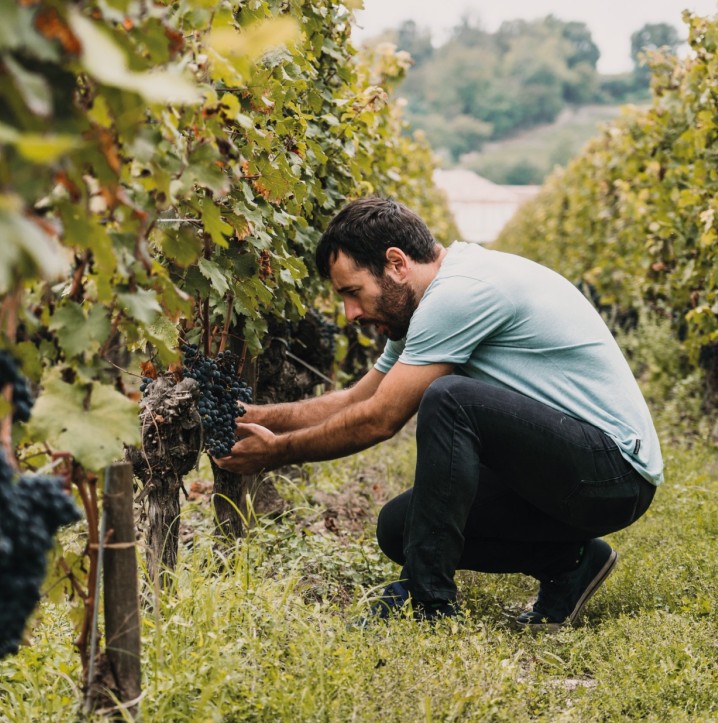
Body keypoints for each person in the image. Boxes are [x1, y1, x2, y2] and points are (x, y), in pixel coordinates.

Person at [215, 197, 662, 627]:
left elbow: (380, 418)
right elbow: (359, 398)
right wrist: (254, 414)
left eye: (353, 292)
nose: (350, 313)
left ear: (396, 263)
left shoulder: (460, 294)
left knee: (450, 398)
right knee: (400, 529)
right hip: (567, 470)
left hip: (613, 474)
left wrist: (274, 453)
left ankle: (426, 598)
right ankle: (573, 563)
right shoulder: (424, 303)